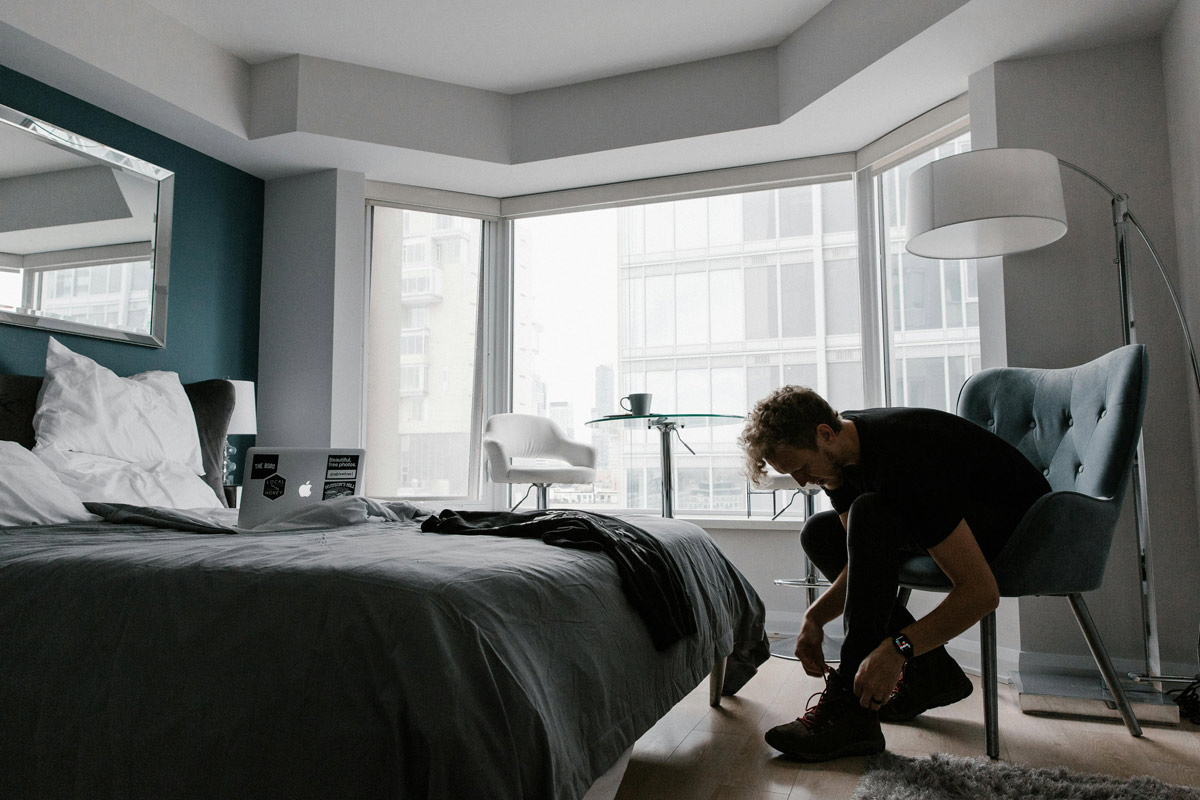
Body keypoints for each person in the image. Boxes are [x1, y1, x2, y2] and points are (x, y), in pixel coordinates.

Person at [739, 385, 1051, 762]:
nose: (803, 482)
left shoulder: (903, 459)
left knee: (870, 512)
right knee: (821, 534)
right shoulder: (839, 466)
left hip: (1023, 527)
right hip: (951, 512)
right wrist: (815, 617)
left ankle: (854, 715)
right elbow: (861, 559)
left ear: (825, 434)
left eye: (802, 468)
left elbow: (981, 593)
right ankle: (932, 671)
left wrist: (898, 649)